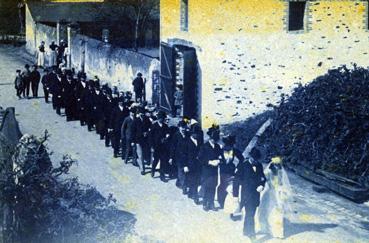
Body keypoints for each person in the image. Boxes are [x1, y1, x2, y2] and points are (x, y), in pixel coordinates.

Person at [233, 147, 266, 239]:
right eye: (253, 158)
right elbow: (236, 180)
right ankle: (252, 234)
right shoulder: (243, 165)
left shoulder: (259, 165)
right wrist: (235, 195)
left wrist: (262, 185)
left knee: (251, 214)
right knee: (250, 214)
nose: (255, 160)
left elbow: (263, 177)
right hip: (246, 194)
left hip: (255, 195)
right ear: (250, 156)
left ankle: (246, 230)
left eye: (256, 159)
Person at [257, 156, 292, 239]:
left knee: (278, 212)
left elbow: (283, 183)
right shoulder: (268, 171)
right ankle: (265, 228)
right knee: (266, 210)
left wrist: (283, 191)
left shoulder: (281, 172)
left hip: (278, 193)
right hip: (269, 193)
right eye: (275, 164)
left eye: (278, 165)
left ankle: (277, 232)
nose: (276, 166)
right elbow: (263, 178)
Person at [198, 124, 224, 211]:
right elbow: (200, 159)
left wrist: (219, 160)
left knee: (213, 186)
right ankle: (205, 203)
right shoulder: (204, 146)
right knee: (206, 186)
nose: (214, 141)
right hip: (206, 170)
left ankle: (211, 202)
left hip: (214, 171)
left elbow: (221, 156)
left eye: (215, 140)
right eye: (213, 139)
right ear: (210, 138)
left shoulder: (217, 147)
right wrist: (209, 162)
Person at [217, 135, 244, 209]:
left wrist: (238, 167)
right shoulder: (220, 150)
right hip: (223, 170)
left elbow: (242, 159)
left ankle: (228, 202)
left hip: (231, 170)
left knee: (230, 186)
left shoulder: (235, 151)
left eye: (230, 145)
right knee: (223, 184)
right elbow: (215, 158)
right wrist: (219, 162)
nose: (229, 146)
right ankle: (221, 201)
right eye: (228, 144)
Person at [150, 110, 171, 182]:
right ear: (158, 118)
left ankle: (162, 176)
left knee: (163, 161)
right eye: (160, 118)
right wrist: (152, 146)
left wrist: (167, 136)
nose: (161, 119)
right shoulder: (154, 126)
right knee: (155, 160)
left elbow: (168, 133)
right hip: (156, 147)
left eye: (162, 118)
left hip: (163, 147)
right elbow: (150, 137)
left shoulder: (165, 126)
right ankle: (153, 170)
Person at [170, 120, 190, 193]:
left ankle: (178, 182)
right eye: (182, 127)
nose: (183, 129)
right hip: (178, 157)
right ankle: (184, 188)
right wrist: (171, 157)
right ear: (179, 127)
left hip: (186, 156)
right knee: (181, 171)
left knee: (183, 172)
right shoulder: (176, 135)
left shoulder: (188, 134)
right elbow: (173, 147)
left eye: (184, 127)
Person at [131, 107, 152, 175]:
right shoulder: (135, 121)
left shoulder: (147, 120)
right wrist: (133, 141)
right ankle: (142, 169)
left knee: (145, 153)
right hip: (138, 140)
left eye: (143, 113)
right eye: (140, 113)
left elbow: (150, 128)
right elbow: (133, 132)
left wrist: (147, 132)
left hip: (145, 140)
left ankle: (144, 163)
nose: (142, 115)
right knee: (140, 155)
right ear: (138, 114)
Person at [187, 125, 203, 205]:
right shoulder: (187, 142)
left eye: (198, 134)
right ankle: (195, 196)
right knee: (193, 180)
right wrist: (185, 166)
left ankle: (191, 193)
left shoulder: (199, 141)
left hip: (198, 164)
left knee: (196, 180)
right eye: (195, 133)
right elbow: (184, 155)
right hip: (190, 164)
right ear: (192, 133)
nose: (197, 135)